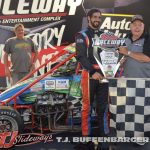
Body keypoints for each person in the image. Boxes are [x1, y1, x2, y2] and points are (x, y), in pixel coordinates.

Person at [75, 8, 109, 150]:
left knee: (103, 108)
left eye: (99, 17)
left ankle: (104, 137)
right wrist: (93, 71)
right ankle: (85, 138)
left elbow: (110, 54)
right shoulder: (81, 35)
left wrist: (114, 65)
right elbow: (81, 56)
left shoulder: (105, 35)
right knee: (86, 108)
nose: (97, 19)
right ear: (88, 18)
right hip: (88, 75)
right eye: (94, 17)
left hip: (104, 76)